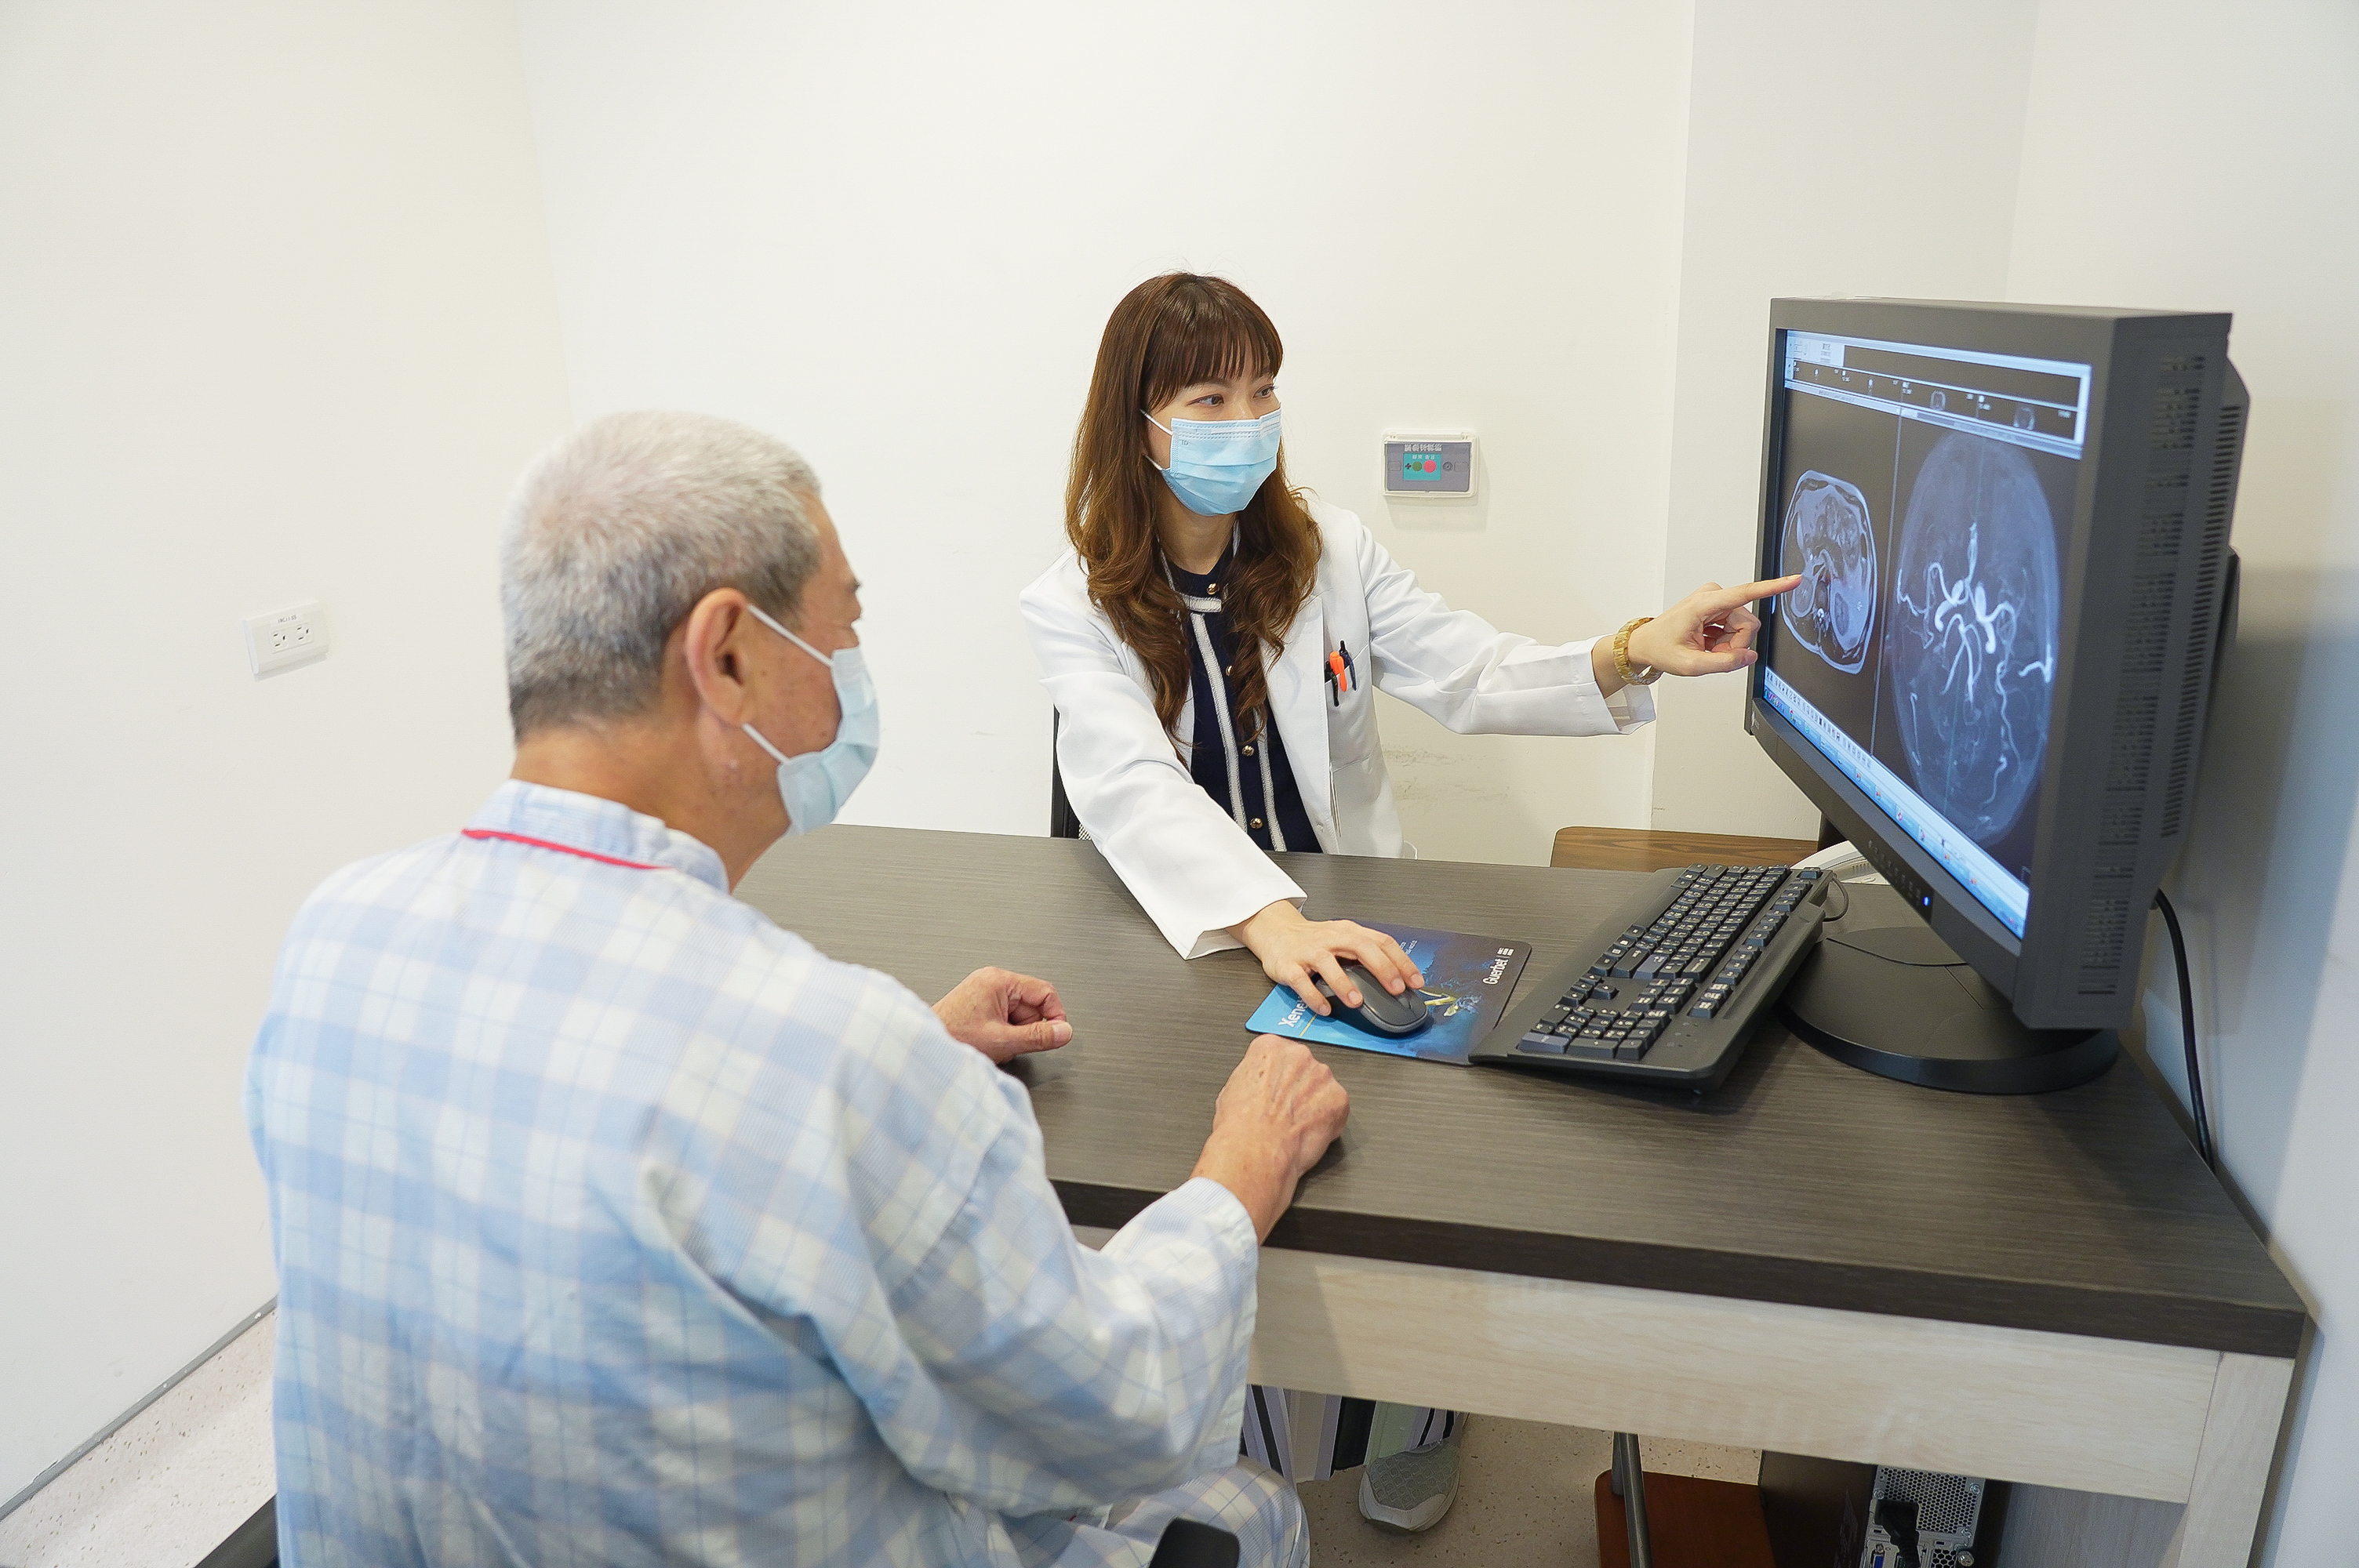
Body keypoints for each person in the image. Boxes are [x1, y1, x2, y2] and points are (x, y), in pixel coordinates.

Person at [245, 411, 1350, 1568]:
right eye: (846, 628)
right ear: (726, 655)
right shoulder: (826, 1058)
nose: (851, 686)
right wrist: (1242, 1167)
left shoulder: (336, 936)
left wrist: (907, 1054)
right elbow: (1120, 1409)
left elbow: (614, 1117)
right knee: (1244, 1514)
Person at [1020, 273, 1799, 1534]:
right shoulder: (1074, 602)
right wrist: (1271, 922)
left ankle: (1421, 1412)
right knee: (1229, 1176)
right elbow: (1124, 786)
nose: (1248, 418)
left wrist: (1628, 649)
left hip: (1344, 903)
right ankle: (1246, 1435)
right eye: (1211, 395)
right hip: (1195, 937)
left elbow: (1469, 668)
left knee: (1399, 1164)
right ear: (1140, 421)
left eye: (1264, 390)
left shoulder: (1324, 548)